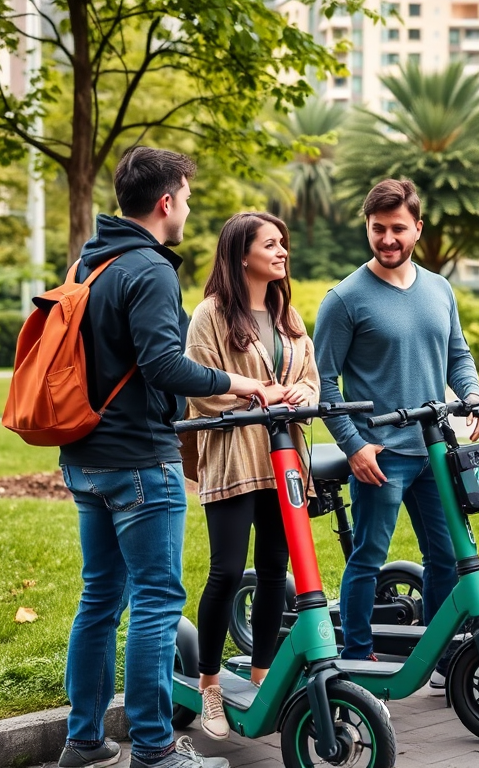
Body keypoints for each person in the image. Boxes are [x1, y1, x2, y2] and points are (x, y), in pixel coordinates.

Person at [56, 146, 267, 768]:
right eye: (188, 196)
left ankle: (85, 740)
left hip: (86, 458)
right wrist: (239, 383)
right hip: (141, 463)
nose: (190, 207)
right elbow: (163, 366)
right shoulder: (148, 269)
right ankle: (153, 748)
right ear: (166, 201)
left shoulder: (87, 265)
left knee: (99, 600)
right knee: (155, 600)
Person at [312, 178, 479, 688]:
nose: (387, 239)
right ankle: (358, 656)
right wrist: (354, 445)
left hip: (434, 450)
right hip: (380, 453)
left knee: (448, 555)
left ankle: (436, 653)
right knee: (368, 557)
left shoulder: (440, 288)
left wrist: (472, 395)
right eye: (377, 229)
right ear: (366, 228)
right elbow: (325, 386)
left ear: (417, 227)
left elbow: (457, 355)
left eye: (397, 229)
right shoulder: (344, 299)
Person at [185, 212, 319, 740]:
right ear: (243, 254)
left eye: (284, 242)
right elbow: (200, 385)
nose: (283, 251)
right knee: (225, 571)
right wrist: (256, 392)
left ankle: (262, 677)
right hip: (235, 458)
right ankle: (211, 686)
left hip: (283, 459)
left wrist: (303, 395)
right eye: (272, 243)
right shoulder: (210, 315)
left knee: (273, 569)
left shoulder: (287, 314)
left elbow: (307, 378)